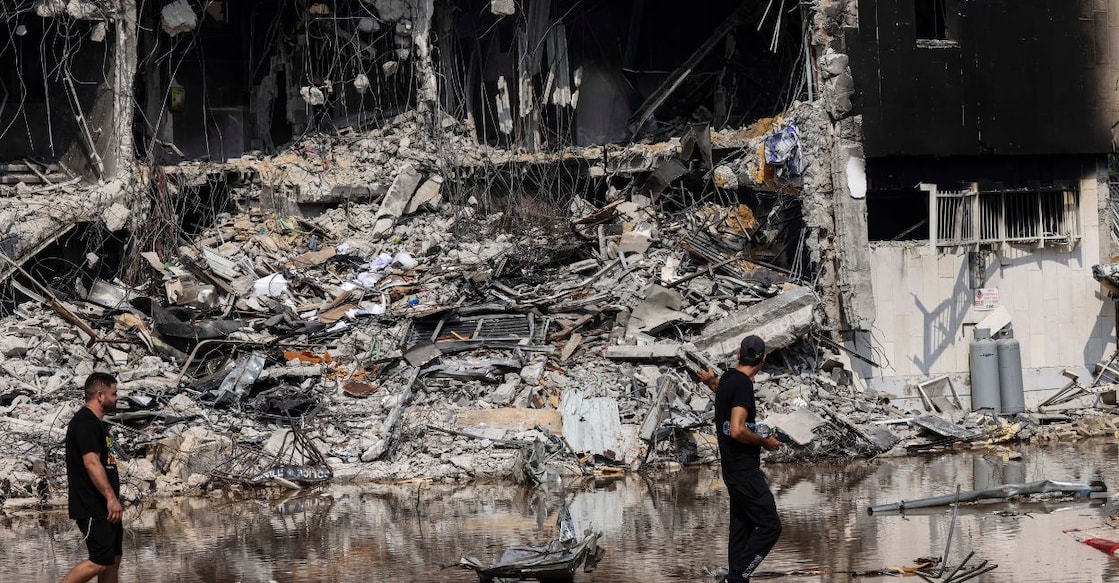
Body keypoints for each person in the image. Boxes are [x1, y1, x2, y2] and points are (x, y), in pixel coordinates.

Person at [698, 335, 783, 583]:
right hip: (745, 471)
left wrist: (709, 381)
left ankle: (736, 577)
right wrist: (766, 442)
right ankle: (736, 577)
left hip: (731, 471)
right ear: (764, 359)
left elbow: (721, 390)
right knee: (770, 526)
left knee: (742, 527)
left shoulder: (728, 379)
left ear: (738, 354)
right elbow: (737, 429)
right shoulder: (743, 384)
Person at [62, 373, 123, 583]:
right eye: (114, 393)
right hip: (93, 504)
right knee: (100, 561)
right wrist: (110, 498)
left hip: (105, 505)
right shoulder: (84, 423)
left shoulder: (97, 424)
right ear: (100, 395)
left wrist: (113, 499)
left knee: (113, 558)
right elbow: (91, 463)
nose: (117, 398)